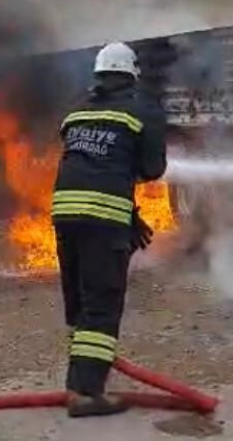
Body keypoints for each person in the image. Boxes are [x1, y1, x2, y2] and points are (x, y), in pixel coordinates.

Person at [52, 41, 167, 416]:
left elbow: (92, 165)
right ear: (131, 75)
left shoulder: (76, 114)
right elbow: (152, 169)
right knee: (101, 305)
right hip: (103, 220)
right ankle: (85, 393)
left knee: (82, 303)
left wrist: (131, 216)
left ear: (99, 75)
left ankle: (79, 380)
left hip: (65, 215)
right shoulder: (141, 111)